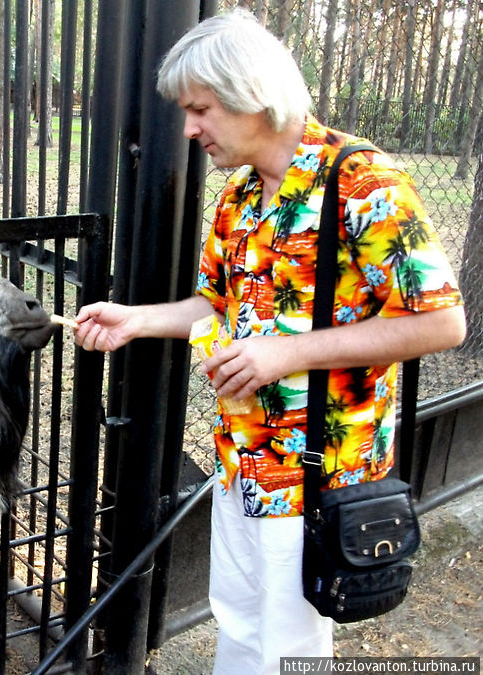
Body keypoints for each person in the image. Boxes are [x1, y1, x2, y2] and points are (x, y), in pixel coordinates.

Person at [73, 10, 466, 675]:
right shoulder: (241, 196)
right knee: (239, 620)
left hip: (320, 470)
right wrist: (136, 320)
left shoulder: (362, 181)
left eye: (200, 108)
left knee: (291, 644)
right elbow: (219, 303)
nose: (189, 128)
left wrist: (286, 352)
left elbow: (441, 321)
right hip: (242, 461)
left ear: (251, 92)